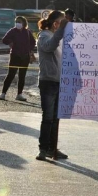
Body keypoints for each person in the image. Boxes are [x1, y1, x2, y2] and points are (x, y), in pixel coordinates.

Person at [35, 10, 69, 161]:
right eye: (61, 22)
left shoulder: (59, 37)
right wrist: (61, 32)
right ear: (55, 23)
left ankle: (52, 148)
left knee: (56, 118)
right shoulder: (44, 35)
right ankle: (43, 149)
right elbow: (49, 47)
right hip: (48, 82)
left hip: (59, 82)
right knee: (48, 117)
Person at [0, 16, 36, 102]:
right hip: (15, 55)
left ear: (24, 23)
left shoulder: (27, 32)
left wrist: (29, 50)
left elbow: (33, 42)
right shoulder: (12, 31)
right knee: (10, 75)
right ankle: (3, 93)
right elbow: (4, 40)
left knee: (22, 76)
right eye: (16, 21)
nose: (18, 23)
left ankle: (19, 94)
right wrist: (10, 42)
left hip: (25, 57)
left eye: (19, 22)